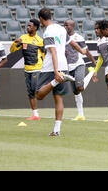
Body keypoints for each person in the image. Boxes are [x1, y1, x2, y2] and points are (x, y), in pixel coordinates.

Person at [35, 8, 75, 136]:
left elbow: (53, 52)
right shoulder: (61, 29)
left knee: (38, 95)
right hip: (63, 66)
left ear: (41, 19)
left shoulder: (48, 32)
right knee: (58, 98)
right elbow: (71, 42)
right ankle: (56, 130)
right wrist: (83, 51)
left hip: (51, 67)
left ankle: (55, 81)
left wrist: (56, 72)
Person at [64, 20, 98, 121]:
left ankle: (91, 72)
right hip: (67, 67)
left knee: (80, 87)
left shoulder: (79, 38)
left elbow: (86, 52)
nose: (65, 27)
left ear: (72, 26)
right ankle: (81, 115)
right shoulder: (62, 37)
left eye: (67, 25)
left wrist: (95, 65)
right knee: (76, 92)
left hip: (79, 64)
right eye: (64, 25)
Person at [10, 19, 44, 120]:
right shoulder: (23, 38)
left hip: (37, 68)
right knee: (30, 92)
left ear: (35, 28)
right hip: (27, 69)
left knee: (35, 91)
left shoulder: (40, 41)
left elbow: (44, 55)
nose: (27, 27)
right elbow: (12, 50)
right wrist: (16, 42)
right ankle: (35, 114)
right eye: (27, 26)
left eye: (30, 26)